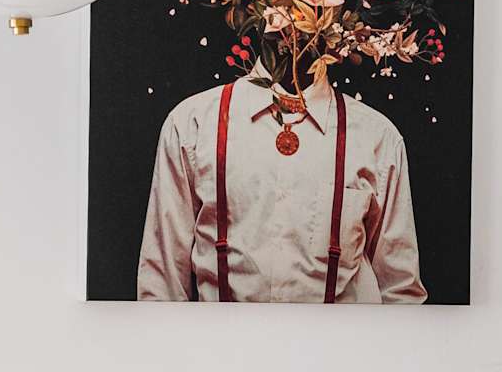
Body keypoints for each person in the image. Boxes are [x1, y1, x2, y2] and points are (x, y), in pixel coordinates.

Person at [135, 62, 425, 303]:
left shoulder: (377, 138)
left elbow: (400, 293)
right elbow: (162, 286)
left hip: (339, 351)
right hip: (223, 350)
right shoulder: (193, 124)